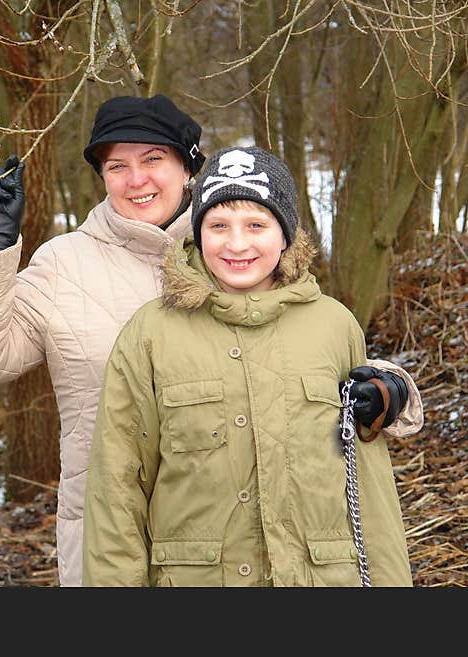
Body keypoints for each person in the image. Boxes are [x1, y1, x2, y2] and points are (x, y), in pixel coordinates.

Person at [0, 95, 422, 587]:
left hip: (241, 538)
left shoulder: (240, 244)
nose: (136, 179)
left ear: (189, 167)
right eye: (117, 166)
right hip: (108, 529)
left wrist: (390, 388)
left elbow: (306, 351)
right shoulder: (65, 265)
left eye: (154, 160)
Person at [82, 146, 422, 587]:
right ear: (197, 235)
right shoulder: (150, 334)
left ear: (285, 235)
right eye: (218, 225)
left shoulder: (334, 325)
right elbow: (117, 488)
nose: (237, 244)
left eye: (256, 225)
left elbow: (370, 489)